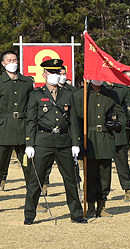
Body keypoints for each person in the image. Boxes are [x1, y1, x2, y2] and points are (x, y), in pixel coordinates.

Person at [22, 58, 86, 224]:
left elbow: (73, 121)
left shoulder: (68, 94)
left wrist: (75, 143)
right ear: (44, 75)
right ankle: (29, 214)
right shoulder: (36, 95)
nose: (55, 75)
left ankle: (76, 213)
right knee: (36, 180)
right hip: (43, 141)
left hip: (64, 141)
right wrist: (29, 143)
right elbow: (31, 121)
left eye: (58, 72)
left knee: (71, 180)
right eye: (52, 72)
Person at [0, 50, 34, 213]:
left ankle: (33, 200)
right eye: (9, 60)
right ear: (3, 63)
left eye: (15, 60)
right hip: (3, 130)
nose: (12, 62)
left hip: (23, 129)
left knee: (29, 167)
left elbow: (32, 107)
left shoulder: (26, 82)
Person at [73, 78, 125, 217]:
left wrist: (118, 124)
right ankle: (90, 206)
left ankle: (102, 206)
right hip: (88, 138)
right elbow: (75, 121)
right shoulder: (80, 95)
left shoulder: (111, 94)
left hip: (105, 137)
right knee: (90, 174)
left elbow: (122, 114)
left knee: (105, 175)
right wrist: (78, 141)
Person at [109, 69, 130, 202]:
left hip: (118, 129)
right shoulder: (96, 87)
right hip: (102, 131)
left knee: (122, 162)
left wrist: (123, 122)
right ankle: (98, 194)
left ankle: (128, 190)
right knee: (100, 165)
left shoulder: (123, 88)